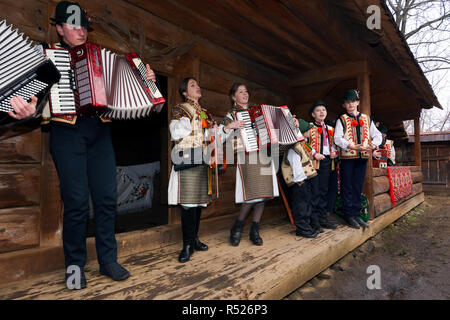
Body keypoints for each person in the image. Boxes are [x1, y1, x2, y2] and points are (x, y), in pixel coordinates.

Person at [8, 1, 157, 289]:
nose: (81, 31)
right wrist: (29, 109)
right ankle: (74, 266)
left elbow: (127, 94)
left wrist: (146, 82)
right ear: (60, 28)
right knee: (76, 203)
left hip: (100, 132)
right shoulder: (45, 57)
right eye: (73, 25)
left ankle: (108, 261)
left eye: (84, 26)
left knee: (106, 200)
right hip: (66, 133)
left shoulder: (100, 57)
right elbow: (33, 100)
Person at [168, 77, 222, 263]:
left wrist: (216, 132)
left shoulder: (205, 113)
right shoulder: (180, 109)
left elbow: (208, 136)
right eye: (192, 85)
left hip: (202, 160)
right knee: (188, 204)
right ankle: (187, 245)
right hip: (188, 159)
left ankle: (195, 239)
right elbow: (175, 132)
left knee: (198, 203)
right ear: (184, 92)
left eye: (198, 84)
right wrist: (191, 119)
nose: (197, 87)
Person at [222, 83, 281, 246]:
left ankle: (255, 229)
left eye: (246, 91)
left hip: (264, 154)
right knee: (253, 193)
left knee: (263, 193)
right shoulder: (231, 114)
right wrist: (231, 126)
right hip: (247, 155)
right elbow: (224, 134)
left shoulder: (259, 111)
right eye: (240, 92)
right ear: (233, 97)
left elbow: (272, 128)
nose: (245, 94)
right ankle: (238, 227)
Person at [334, 90, 382, 229]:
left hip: (363, 158)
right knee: (347, 186)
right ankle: (349, 215)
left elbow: (377, 135)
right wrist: (351, 145)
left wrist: (373, 145)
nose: (350, 104)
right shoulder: (341, 119)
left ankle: (356, 215)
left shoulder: (367, 119)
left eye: (353, 101)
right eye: (347, 102)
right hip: (348, 158)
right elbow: (337, 138)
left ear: (358, 102)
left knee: (357, 186)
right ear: (344, 105)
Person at [281, 118, 321, 238]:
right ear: (303, 132)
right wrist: (300, 180)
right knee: (301, 205)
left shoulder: (302, 145)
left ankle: (307, 226)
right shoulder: (294, 148)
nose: (310, 132)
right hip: (299, 182)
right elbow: (296, 165)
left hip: (304, 180)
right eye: (308, 130)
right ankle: (302, 228)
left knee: (306, 203)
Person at [306, 100, 338, 232]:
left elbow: (335, 145)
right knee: (315, 192)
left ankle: (322, 218)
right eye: (318, 110)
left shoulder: (331, 129)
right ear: (313, 114)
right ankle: (314, 220)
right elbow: (303, 143)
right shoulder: (308, 127)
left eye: (323, 110)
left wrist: (334, 153)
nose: (321, 112)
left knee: (324, 191)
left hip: (326, 162)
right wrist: (314, 153)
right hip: (313, 163)